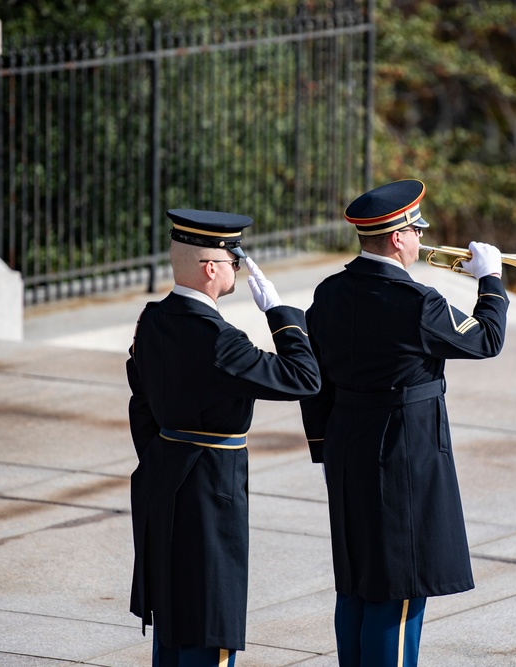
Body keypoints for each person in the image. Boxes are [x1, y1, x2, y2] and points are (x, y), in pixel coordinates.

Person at [300, 179, 508, 667]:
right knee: (399, 590)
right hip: (404, 459)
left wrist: (325, 446)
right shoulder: (418, 303)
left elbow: (316, 381)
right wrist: (492, 279)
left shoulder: (328, 294)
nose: (420, 238)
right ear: (396, 238)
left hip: (347, 451)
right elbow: (487, 338)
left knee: (356, 584)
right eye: (415, 230)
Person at [126, 208, 321, 667]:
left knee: (173, 617)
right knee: (211, 621)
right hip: (211, 490)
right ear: (210, 268)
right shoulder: (220, 339)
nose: (238, 265)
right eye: (232, 258)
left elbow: (141, 401)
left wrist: (162, 454)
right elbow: (304, 377)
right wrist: (281, 314)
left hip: (163, 480)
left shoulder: (151, 321)